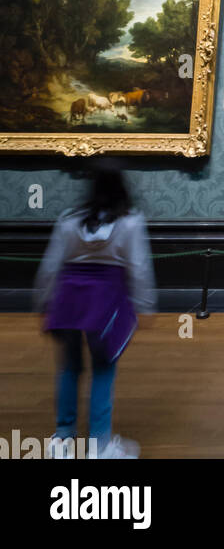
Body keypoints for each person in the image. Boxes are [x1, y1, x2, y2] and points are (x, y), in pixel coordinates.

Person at [34, 159, 156, 459]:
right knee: (103, 369)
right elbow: (139, 268)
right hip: (106, 303)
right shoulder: (130, 222)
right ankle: (100, 445)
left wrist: (42, 300)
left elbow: (51, 265)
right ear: (122, 187)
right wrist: (144, 305)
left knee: (69, 368)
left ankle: (62, 440)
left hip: (68, 300)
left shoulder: (69, 219)